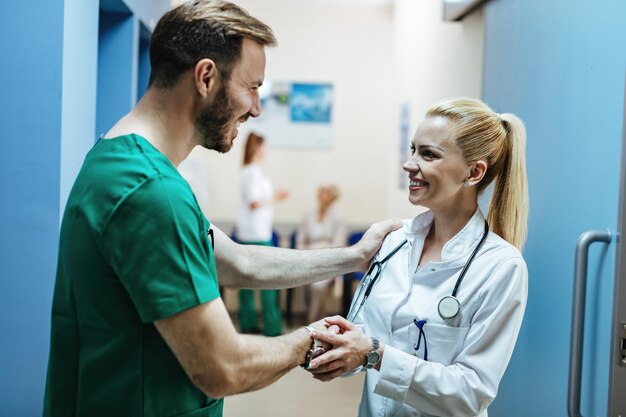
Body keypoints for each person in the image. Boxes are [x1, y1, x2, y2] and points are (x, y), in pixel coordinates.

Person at [42, 2, 401, 416]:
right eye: (252, 87)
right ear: (206, 77)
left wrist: (356, 256)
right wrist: (309, 342)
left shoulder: (120, 160)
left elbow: (240, 262)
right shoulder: (149, 191)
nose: (257, 108)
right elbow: (222, 367)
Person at [308, 97, 529, 417]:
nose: (409, 163)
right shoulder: (393, 242)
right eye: (413, 150)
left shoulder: (500, 267)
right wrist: (336, 353)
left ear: (474, 172)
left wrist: (375, 354)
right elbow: (359, 337)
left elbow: (471, 393)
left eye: (428, 154)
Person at [236, 132, 288, 336]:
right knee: (268, 281)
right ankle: (271, 327)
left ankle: (249, 323)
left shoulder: (254, 172)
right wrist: (277, 197)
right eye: (265, 147)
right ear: (257, 148)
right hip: (255, 233)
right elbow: (255, 203)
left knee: (248, 283)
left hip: (256, 231)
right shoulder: (251, 173)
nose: (267, 151)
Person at [296, 184, 347, 323]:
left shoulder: (338, 217)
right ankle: (318, 318)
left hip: (327, 259)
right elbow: (301, 239)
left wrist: (321, 255)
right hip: (307, 256)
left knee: (317, 285)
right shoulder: (309, 214)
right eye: (319, 192)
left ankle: (312, 320)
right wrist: (301, 256)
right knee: (301, 280)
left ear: (332, 197)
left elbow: (339, 244)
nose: (319, 194)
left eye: (324, 192)